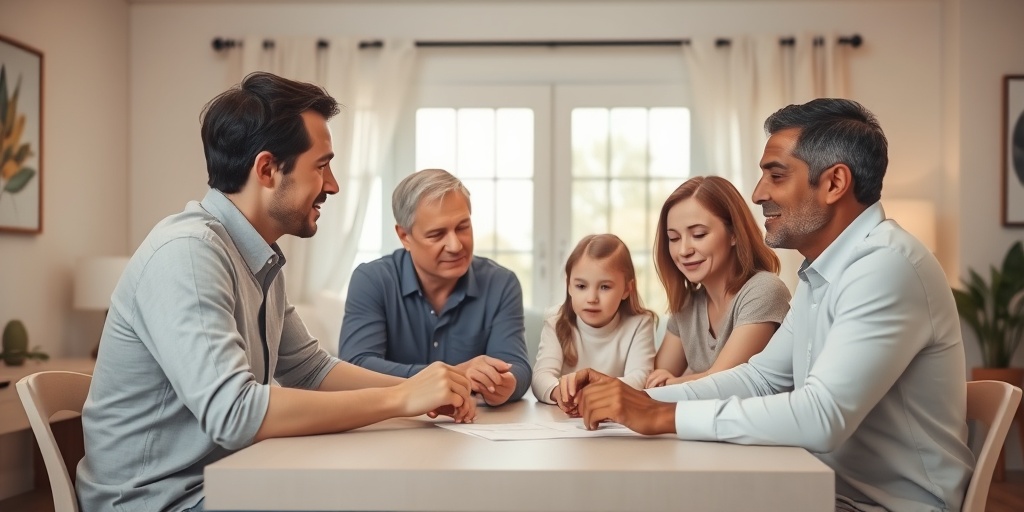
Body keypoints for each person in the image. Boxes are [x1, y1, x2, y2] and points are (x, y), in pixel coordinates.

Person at [76, 72, 475, 512]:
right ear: (267, 169)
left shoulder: (258, 257)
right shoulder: (188, 254)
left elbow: (310, 369)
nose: (333, 185)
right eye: (321, 166)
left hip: (223, 483)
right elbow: (236, 413)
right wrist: (400, 398)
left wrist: (420, 393)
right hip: (159, 501)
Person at [558, 98, 973, 512]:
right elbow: (760, 379)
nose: (758, 194)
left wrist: (660, 417)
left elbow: (821, 416)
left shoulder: (886, 266)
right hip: (823, 492)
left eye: (776, 175)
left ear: (834, 183)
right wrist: (633, 401)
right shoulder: (822, 274)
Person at [339, 168, 531, 406]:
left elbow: (517, 367)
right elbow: (355, 364)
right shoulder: (372, 280)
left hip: (473, 431)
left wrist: (506, 383)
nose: (455, 245)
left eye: (463, 227)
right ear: (404, 236)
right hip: (392, 428)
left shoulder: (501, 283)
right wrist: (449, 376)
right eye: (437, 234)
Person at [644, 176, 791, 388]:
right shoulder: (687, 306)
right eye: (674, 238)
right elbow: (654, 379)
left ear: (734, 234)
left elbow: (723, 381)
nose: (684, 250)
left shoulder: (764, 290)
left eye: (698, 234)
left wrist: (670, 383)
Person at [531, 234, 656, 406]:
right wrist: (559, 392)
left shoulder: (639, 324)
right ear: (569, 286)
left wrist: (594, 394)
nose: (592, 298)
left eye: (605, 287)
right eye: (581, 286)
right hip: (564, 421)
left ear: (627, 289)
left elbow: (640, 377)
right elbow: (540, 378)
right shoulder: (555, 322)